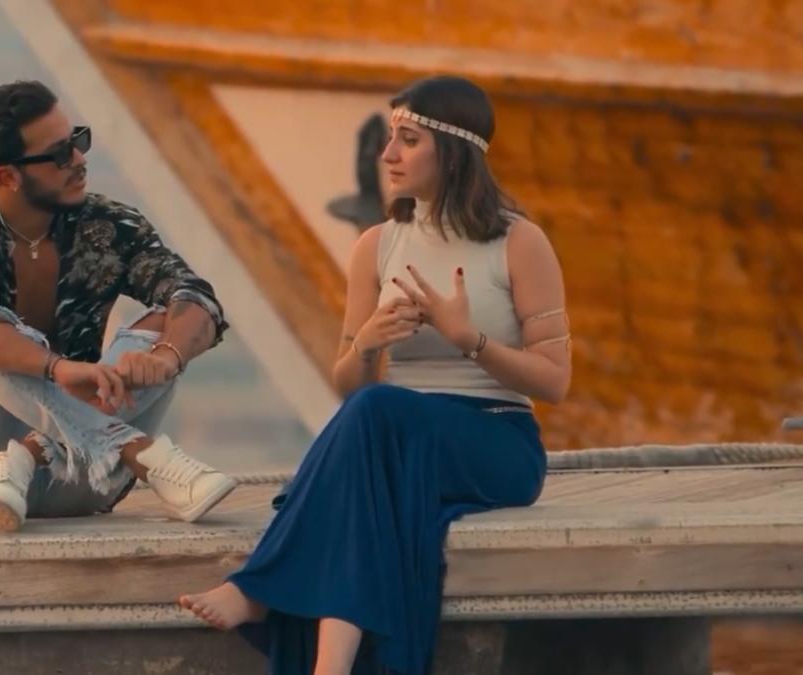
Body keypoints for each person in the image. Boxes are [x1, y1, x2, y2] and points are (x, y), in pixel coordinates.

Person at [180, 75, 572, 674]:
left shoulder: (518, 241)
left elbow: (554, 381)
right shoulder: (377, 245)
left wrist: (469, 340)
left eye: (408, 140)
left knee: (373, 416)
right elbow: (350, 385)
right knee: (368, 435)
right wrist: (367, 346)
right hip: (390, 437)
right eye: (390, 137)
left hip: (494, 438)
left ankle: (257, 588)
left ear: (453, 152)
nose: (388, 154)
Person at [0, 80, 237, 532]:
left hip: (85, 476)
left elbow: (197, 297)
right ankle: (139, 452)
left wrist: (166, 356)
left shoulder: (109, 225)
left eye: (77, 141)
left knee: (170, 321)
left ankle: (27, 455)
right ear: (8, 176)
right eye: (59, 154)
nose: (79, 160)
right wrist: (58, 368)